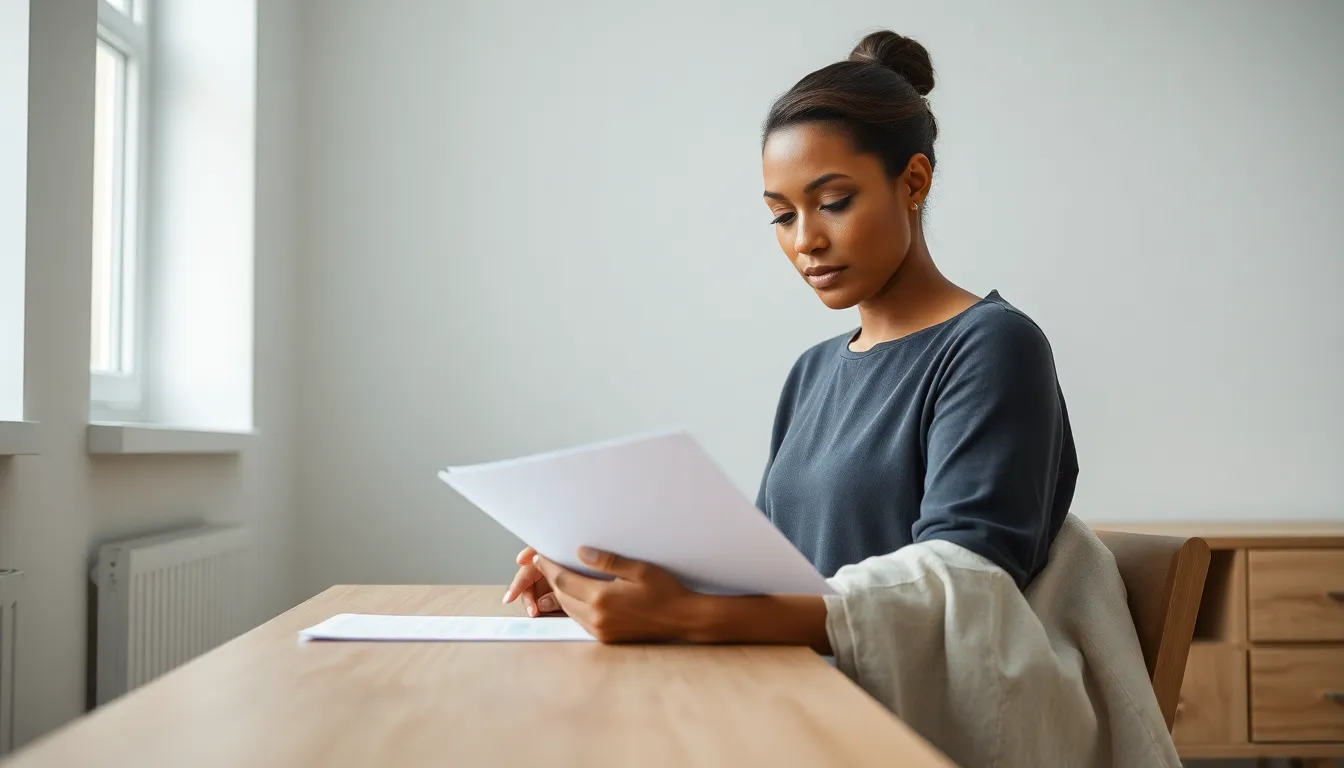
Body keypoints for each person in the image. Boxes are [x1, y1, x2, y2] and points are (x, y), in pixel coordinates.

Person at [500, 31, 1179, 767]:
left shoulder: (992, 346)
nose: (805, 242)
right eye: (783, 215)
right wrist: (602, 571)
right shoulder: (814, 371)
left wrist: (690, 613)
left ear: (913, 182)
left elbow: (967, 582)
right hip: (804, 705)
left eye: (832, 202)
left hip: (896, 735)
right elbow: (770, 572)